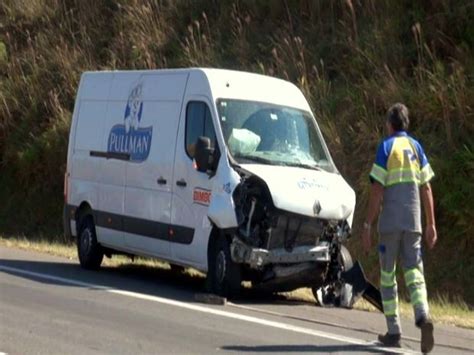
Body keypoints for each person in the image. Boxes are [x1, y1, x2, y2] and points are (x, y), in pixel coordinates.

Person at [361, 103, 437, 353]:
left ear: (390, 125)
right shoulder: (417, 148)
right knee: (415, 271)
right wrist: (431, 224)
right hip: (414, 222)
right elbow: (426, 187)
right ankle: (423, 315)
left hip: (390, 223)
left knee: (388, 276)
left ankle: (394, 331)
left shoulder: (386, 147)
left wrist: (368, 223)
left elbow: (377, 189)